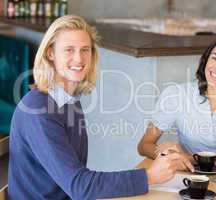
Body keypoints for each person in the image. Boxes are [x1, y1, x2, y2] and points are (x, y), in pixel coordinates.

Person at [8, 15, 194, 200]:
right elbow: (79, 186)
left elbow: (77, 180)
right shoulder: (39, 111)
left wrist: (157, 157)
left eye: (85, 50)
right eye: (69, 50)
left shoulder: (69, 100)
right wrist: (149, 176)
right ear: (50, 53)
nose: (79, 58)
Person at [138, 34, 216, 170]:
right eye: (214, 58)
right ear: (206, 59)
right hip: (187, 175)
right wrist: (168, 156)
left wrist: (192, 159)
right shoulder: (177, 95)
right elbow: (144, 145)